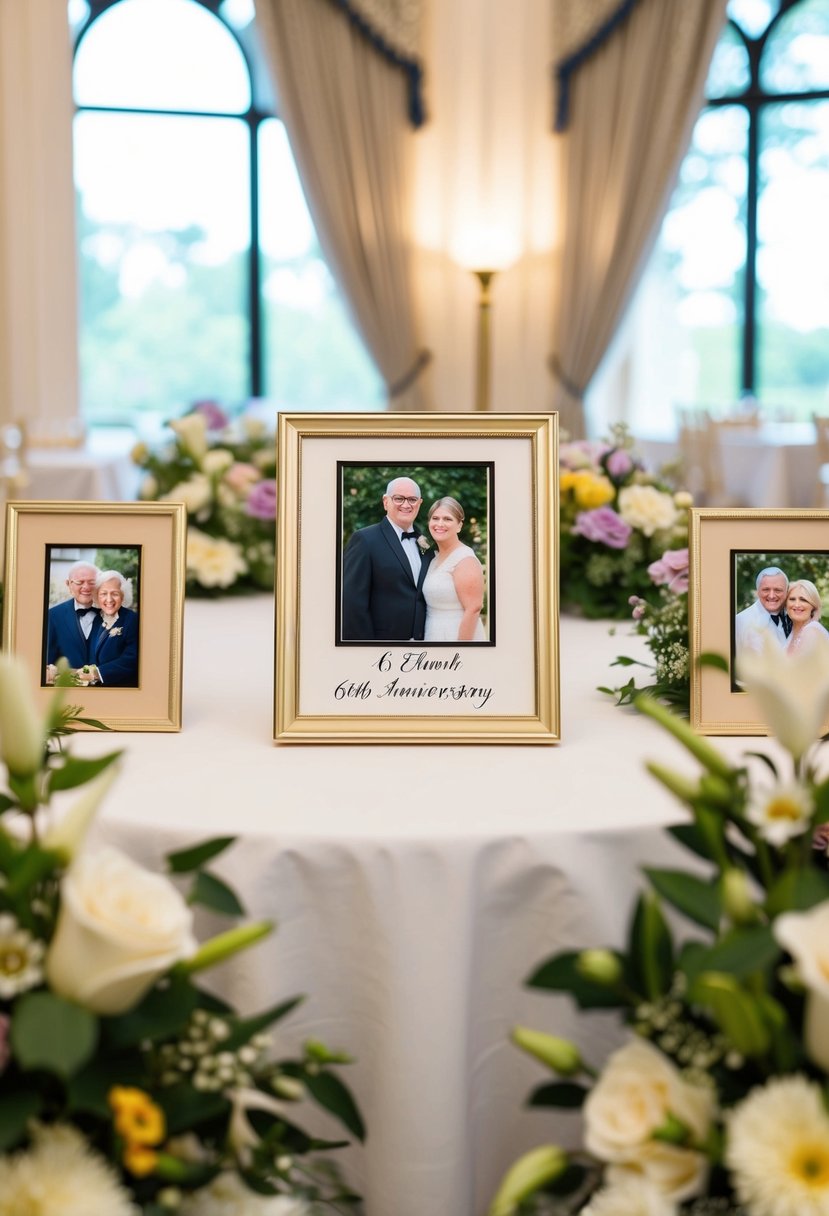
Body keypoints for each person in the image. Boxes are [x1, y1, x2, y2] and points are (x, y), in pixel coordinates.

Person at [341, 476, 434, 641]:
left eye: (412, 499)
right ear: (386, 502)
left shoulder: (425, 542)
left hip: (422, 645)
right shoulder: (365, 539)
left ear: (419, 503)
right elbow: (352, 603)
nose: (406, 505)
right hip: (381, 647)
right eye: (399, 498)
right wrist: (366, 651)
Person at [422, 496, 486, 642]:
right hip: (433, 634)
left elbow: (474, 608)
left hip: (455, 637)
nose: (440, 523)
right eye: (435, 518)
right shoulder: (434, 558)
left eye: (447, 519)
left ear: (459, 525)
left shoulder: (465, 559)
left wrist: (461, 649)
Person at [79, 569, 140, 687]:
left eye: (115, 593)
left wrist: (99, 673)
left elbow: (132, 658)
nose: (109, 599)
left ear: (123, 596)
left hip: (122, 689)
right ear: (97, 596)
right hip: (97, 687)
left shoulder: (132, 620)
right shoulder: (97, 619)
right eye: (103, 593)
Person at [45, 560, 103, 682]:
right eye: (79, 582)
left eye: (92, 582)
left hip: (107, 690)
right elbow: (47, 662)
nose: (86, 587)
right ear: (69, 584)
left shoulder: (111, 614)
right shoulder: (53, 615)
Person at [734, 566, 791, 657]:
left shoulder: (793, 616)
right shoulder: (740, 620)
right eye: (766, 590)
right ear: (758, 591)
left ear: (787, 591)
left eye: (778, 590)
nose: (772, 596)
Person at [784, 578, 829, 658]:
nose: (797, 605)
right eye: (792, 599)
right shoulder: (791, 633)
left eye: (803, 600)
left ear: (813, 606)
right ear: (786, 604)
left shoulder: (812, 631)